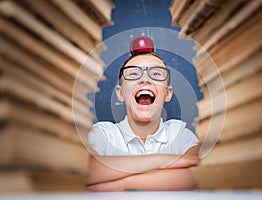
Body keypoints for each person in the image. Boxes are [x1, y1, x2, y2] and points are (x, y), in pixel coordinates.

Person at [86, 37, 200, 191]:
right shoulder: (104, 134)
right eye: (133, 74)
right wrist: (162, 160)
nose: (145, 80)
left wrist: (121, 184)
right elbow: (85, 170)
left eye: (156, 74)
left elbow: (196, 176)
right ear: (120, 93)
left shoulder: (180, 135)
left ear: (167, 94)